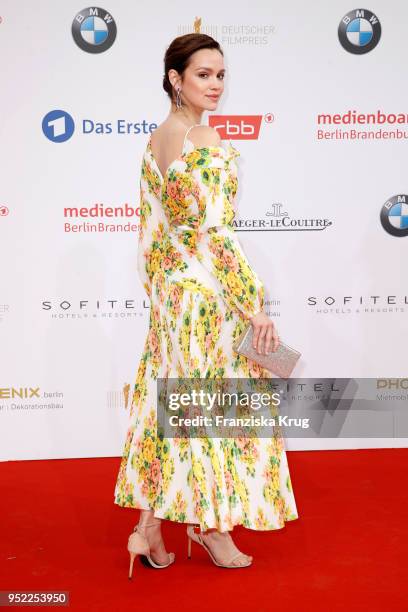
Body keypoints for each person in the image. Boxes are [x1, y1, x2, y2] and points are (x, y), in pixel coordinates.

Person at [114, 33, 299, 578]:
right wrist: (252, 303)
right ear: (176, 78)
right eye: (203, 74)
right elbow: (216, 235)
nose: (215, 85)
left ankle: (147, 527)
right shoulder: (201, 138)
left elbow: (151, 232)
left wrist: (160, 294)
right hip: (206, 299)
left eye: (220, 74)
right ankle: (213, 527)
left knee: (171, 407)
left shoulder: (157, 138)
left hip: (174, 296)